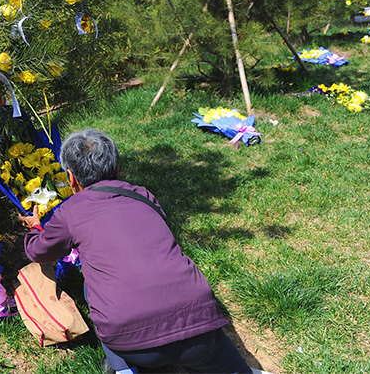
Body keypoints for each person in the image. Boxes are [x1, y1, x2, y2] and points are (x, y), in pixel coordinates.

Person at [20, 128, 252, 374]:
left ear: (71, 178)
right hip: (200, 329)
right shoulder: (143, 195)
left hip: (133, 342)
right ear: (117, 168)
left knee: (93, 285)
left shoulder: (71, 211)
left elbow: (39, 252)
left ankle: (123, 368)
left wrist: (35, 228)